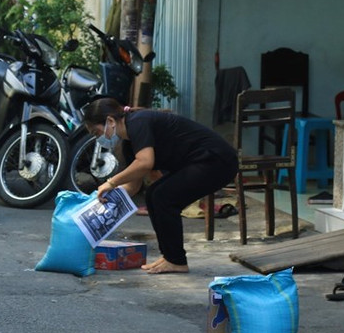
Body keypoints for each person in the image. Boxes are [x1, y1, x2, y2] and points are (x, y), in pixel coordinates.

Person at [85, 98, 238, 274]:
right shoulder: (129, 143)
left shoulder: (138, 122)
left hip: (217, 160)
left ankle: (176, 260)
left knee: (162, 197)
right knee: (153, 195)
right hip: (200, 162)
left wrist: (110, 182)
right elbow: (133, 187)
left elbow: (145, 162)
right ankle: (170, 257)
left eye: (97, 133)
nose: (99, 139)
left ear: (110, 121)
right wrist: (98, 206)